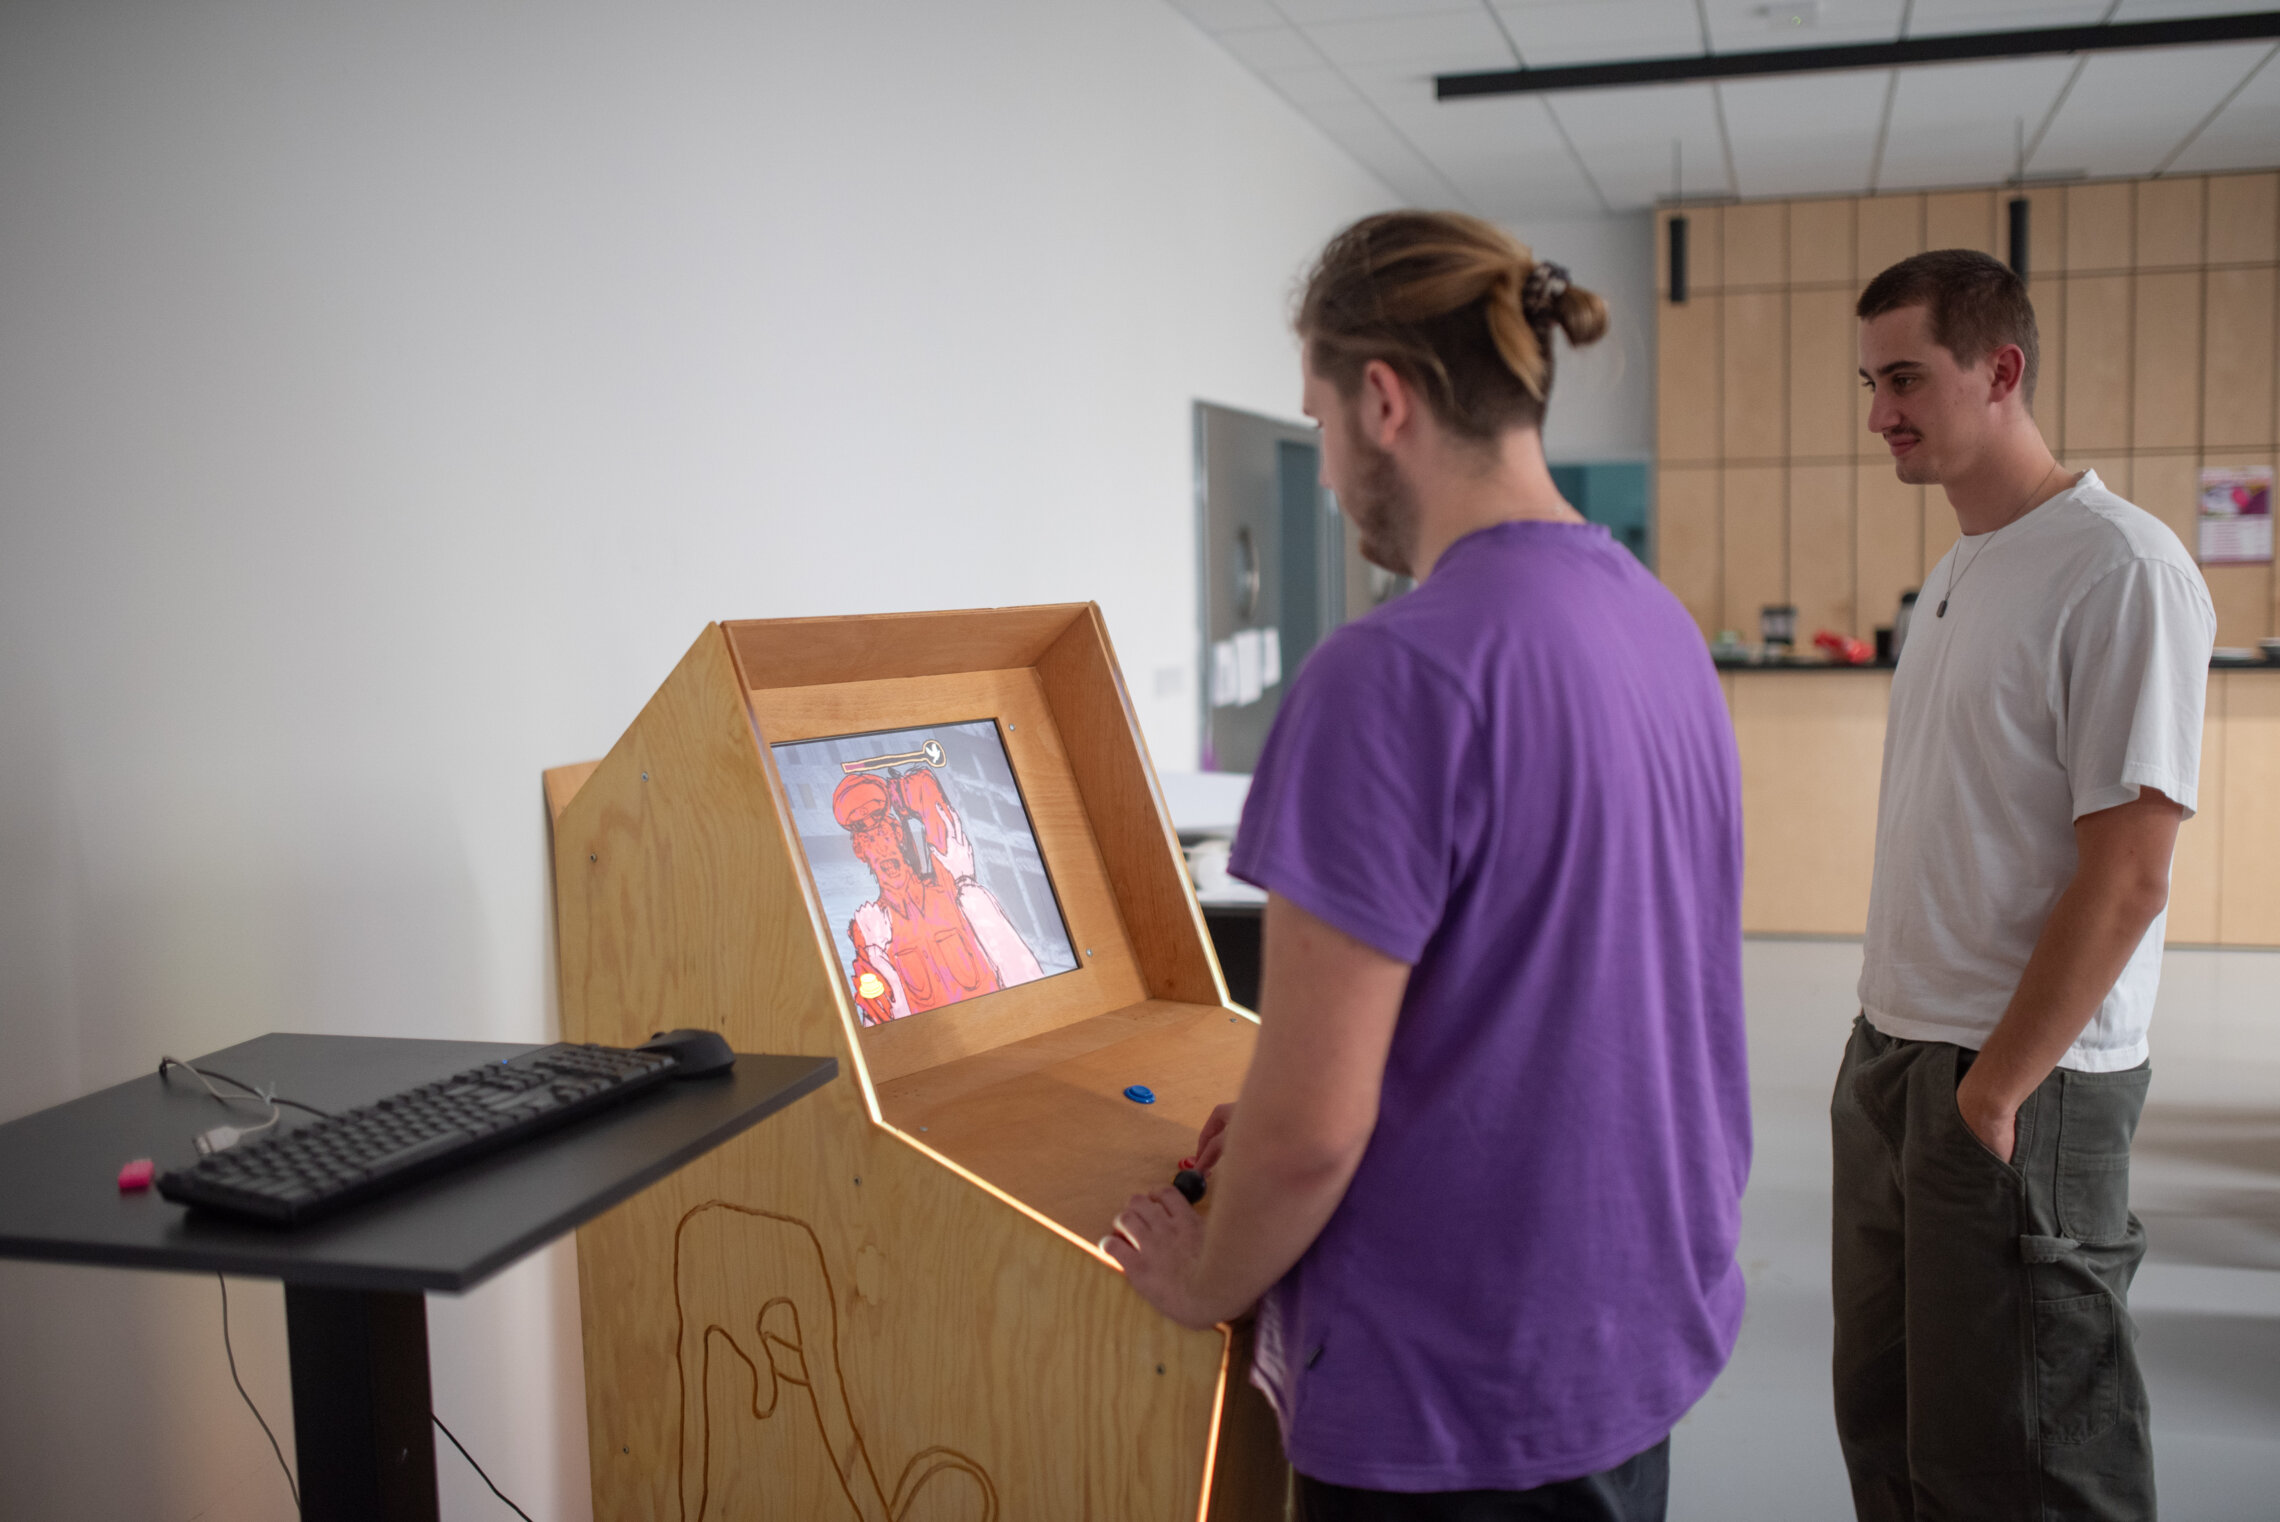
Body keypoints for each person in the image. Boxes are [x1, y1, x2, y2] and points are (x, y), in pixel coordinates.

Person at [1104, 210, 1752, 1520]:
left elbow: (1309, 1137)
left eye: (1322, 422)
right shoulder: (1657, 624)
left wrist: (1203, 1276)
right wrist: (1283, 1104)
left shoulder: (1388, 674)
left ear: (1384, 401)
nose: (1331, 475)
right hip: (1627, 1336)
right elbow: (1552, 978)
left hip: (1459, 1399)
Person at [1837, 249, 2215, 1519]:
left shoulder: (2122, 567)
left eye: (1904, 379)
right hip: (1893, 1055)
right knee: (1894, 1433)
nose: (1881, 414)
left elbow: (2132, 875)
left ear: (2000, 371)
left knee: (2031, 1464)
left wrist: (1994, 1090)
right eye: (1872, 383)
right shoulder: (1958, 570)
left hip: (2018, 1083)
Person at [833, 765, 1044, 1024]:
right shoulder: (870, 929)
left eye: (883, 834)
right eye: (868, 841)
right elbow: (876, 1014)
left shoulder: (949, 889)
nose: (881, 849)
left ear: (898, 833)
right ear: (859, 851)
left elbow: (926, 791)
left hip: (1003, 1024)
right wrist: (875, 952)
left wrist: (900, 792)